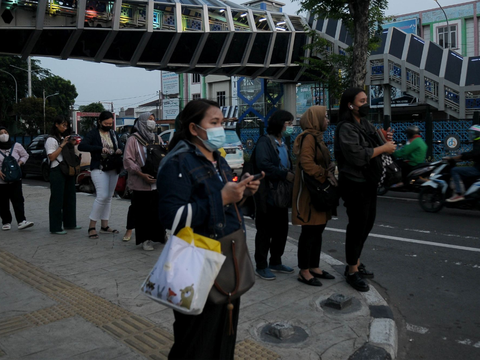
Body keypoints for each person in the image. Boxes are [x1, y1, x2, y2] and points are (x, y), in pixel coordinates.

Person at [157, 99, 261, 359]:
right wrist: (222, 198)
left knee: (224, 334)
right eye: (214, 123)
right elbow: (171, 218)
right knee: (195, 340)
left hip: (228, 260)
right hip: (197, 263)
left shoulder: (217, 159)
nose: (220, 129)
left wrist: (243, 193)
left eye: (222, 123)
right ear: (194, 128)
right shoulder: (177, 163)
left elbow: (225, 205)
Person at [334, 88, 396, 292]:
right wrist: (383, 148)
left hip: (369, 181)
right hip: (353, 183)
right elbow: (357, 155)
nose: (366, 104)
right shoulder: (345, 127)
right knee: (357, 226)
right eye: (362, 101)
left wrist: (384, 138)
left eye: (366, 100)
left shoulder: (365, 123)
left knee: (367, 223)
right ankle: (352, 270)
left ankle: (357, 261)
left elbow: (375, 141)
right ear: (350, 105)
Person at [292, 106, 336, 286]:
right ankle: (304, 270)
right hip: (311, 193)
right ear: (315, 119)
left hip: (319, 190)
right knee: (309, 231)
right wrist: (326, 173)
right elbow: (307, 164)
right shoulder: (308, 138)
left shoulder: (318, 137)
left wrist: (330, 166)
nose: (327, 120)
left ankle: (314, 266)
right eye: (324, 117)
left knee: (318, 230)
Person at [253, 110, 295, 280]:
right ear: (280, 123)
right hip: (267, 194)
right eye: (288, 123)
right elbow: (263, 164)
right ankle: (261, 265)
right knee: (264, 230)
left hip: (281, 194)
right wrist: (283, 174)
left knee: (281, 230)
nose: (290, 127)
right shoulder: (265, 142)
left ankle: (276, 261)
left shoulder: (282, 142)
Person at [123, 113, 165, 251]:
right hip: (140, 182)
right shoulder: (133, 140)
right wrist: (141, 174)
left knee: (157, 210)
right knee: (143, 212)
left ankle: (159, 236)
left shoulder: (158, 138)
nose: (152, 122)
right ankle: (145, 239)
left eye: (153, 119)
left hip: (157, 182)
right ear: (142, 122)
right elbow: (128, 160)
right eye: (149, 120)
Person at [78, 111, 123, 239]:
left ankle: (105, 225)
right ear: (99, 122)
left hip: (113, 167)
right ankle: (92, 226)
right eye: (106, 123)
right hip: (99, 167)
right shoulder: (93, 134)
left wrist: (120, 149)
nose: (108, 125)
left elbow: (120, 145)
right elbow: (82, 146)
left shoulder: (113, 133)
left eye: (110, 123)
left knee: (109, 197)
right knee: (102, 196)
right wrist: (99, 148)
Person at [45, 118, 80, 234]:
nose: (65, 128)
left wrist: (71, 143)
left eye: (66, 126)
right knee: (57, 199)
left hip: (68, 170)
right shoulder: (51, 140)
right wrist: (62, 144)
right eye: (63, 125)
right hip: (57, 170)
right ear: (56, 125)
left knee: (70, 197)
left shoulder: (64, 138)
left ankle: (70, 223)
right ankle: (55, 227)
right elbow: (51, 157)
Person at [0, 126, 34, 231]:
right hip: (1, 181)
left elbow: (25, 155)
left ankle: (21, 221)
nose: (4, 135)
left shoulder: (16, 145)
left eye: (5, 132)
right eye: (1, 133)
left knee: (18, 200)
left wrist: (19, 163)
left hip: (15, 179)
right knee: (2, 202)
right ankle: (6, 222)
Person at [445, 124, 480, 202]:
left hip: (478, 169)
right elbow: (474, 156)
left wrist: (452, 158)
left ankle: (458, 193)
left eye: (473, 133)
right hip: (477, 166)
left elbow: (471, 154)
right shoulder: (477, 144)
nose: (471, 135)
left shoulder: (478, 144)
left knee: (455, 170)